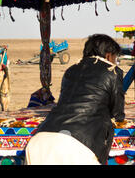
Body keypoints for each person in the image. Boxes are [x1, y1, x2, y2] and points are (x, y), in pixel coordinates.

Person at [25, 34, 125, 165]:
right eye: (115, 57)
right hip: (79, 147)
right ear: (108, 55)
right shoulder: (113, 72)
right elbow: (118, 114)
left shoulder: (70, 70)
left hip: (40, 142)